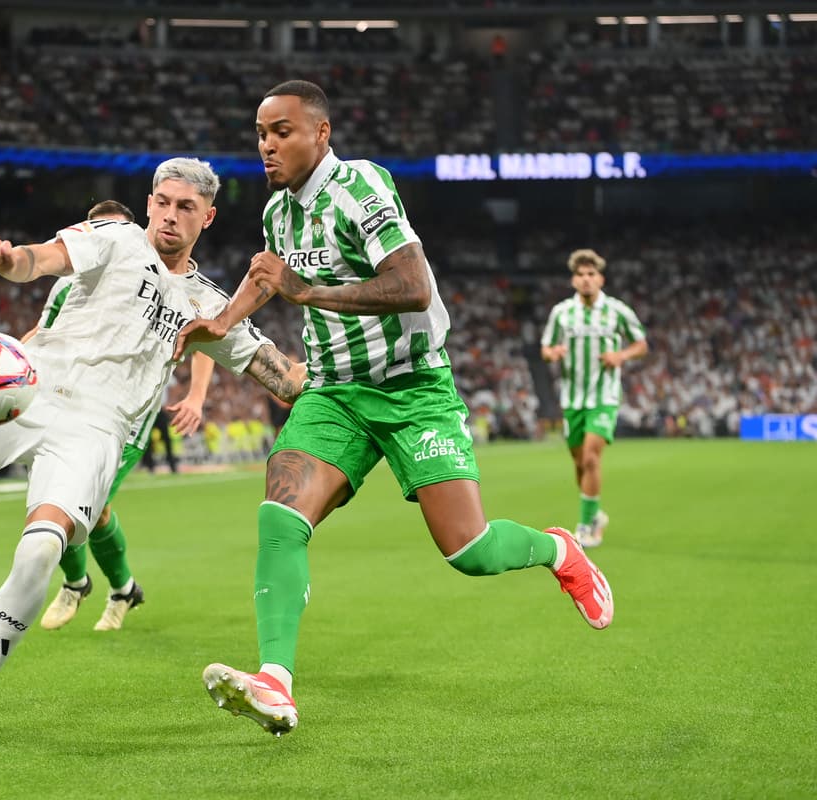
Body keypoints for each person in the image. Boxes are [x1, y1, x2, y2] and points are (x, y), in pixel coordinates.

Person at [174, 80, 615, 737]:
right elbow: (270, 279)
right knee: (280, 511)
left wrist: (310, 292)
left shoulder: (361, 188)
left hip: (413, 388)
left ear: (320, 133)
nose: (267, 145)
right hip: (335, 394)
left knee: (469, 549)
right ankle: (275, 682)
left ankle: (559, 551)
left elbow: (413, 287)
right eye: (261, 134)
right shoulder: (278, 214)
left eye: (282, 132)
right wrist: (222, 320)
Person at [0, 157, 308, 745]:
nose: (170, 216)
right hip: (33, 387)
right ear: (148, 203)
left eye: (185, 207)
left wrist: (349, 351)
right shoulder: (116, 237)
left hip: (96, 430)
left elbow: (282, 379)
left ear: (208, 216)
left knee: (40, 554)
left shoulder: (210, 304)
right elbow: (43, 257)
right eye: (162, 202)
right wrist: (10, 260)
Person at [27, 199, 217, 633]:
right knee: (61, 500)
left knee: (80, 504)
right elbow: (43, 334)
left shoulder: (161, 281)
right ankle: (115, 588)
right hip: (64, 406)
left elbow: (206, 333)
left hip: (126, 419)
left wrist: (197, 395)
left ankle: (88, 585)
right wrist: (5, 365)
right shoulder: (66, 283)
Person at [541, 249, 647, 547]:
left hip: (604, 395)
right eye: (580, 275)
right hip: (572, 398)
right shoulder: (562, 313)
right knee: (579, 463)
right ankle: (596, 514)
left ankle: (586, 526)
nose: (586, 280)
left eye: (591, 274)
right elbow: (546, 349)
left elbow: (641, 344)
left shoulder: (617, 311)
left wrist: (620, 355)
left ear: (600, 278)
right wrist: (554, 353)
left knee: (590, 457)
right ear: (574, 280)